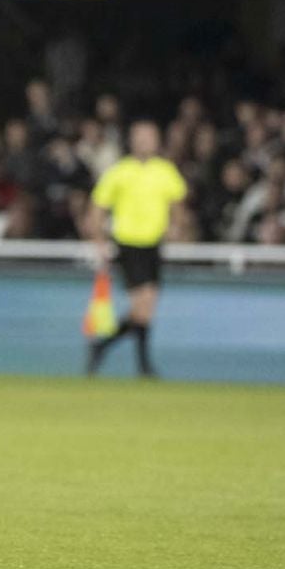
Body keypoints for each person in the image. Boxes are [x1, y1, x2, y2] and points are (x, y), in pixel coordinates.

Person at [85, 119, 186, 378]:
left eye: (149, 137)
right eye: (140, 137)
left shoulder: (165, 171)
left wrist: (176, 227)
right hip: (128, 244)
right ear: (131, 141)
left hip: (153, 245)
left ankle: (103, 346)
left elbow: (178, 205)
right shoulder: (119, 172)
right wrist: (99, 241)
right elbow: (97, 208)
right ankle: (143, 365)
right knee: (144, 304)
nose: (145, 142)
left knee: (145, 309)